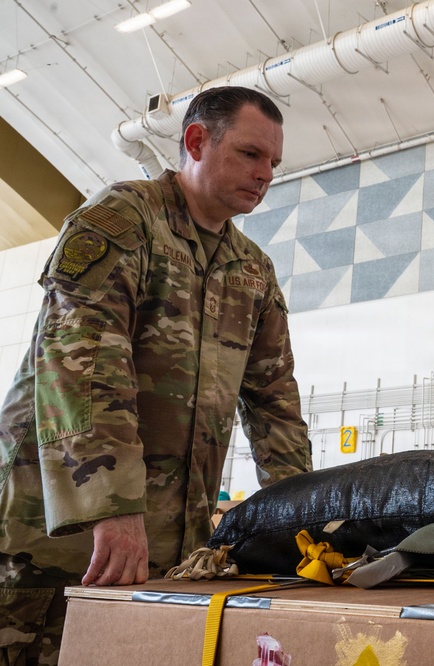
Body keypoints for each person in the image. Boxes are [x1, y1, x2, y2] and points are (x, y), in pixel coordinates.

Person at [0, 86, 313, 664]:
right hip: (60, 532)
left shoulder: (253, 271)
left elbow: (275, 402)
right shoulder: (120, 220)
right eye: (250, 154)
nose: (266, 173)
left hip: (172, 539)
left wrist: (304, 521)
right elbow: (81, 365)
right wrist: (114, 506)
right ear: (196, 141)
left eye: (273, 162)